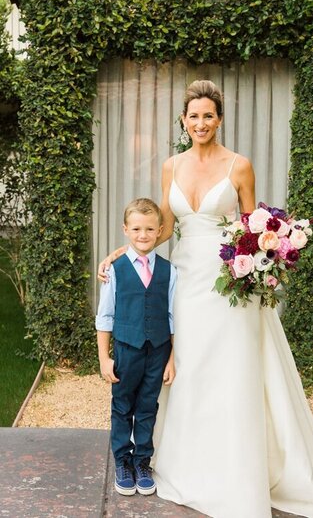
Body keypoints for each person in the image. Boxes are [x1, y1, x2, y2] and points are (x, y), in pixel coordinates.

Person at [99, 80, 313, 517]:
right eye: (193, 116)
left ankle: (234, 467)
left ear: (220, 118)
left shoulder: (239, 165)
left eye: (208, 115)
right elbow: (164, 224)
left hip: (229, 282)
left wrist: (265, 257)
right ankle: (178, 457)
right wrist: (127, 251)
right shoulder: (171, 165)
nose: (200, 123)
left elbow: (254, 228)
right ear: (183, 120)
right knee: (184, 365)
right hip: (185, 279)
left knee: (229, 368)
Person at [95, 197, 177, 497]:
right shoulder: (114, 269)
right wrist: (105, 358)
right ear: (126, 230)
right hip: (127, 349)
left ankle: (143, 462)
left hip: (157, 350)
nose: (143, 235)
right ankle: (122, 461)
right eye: (137, 229)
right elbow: (104, 316)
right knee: (122, 406)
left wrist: (171, 358)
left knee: (147, 407)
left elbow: (172, 317)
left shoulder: (170, 271)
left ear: (160, 231)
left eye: (150, 229)